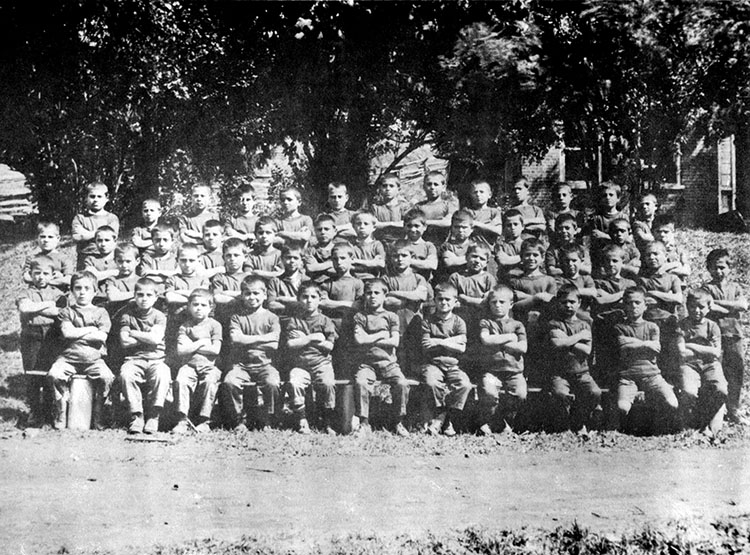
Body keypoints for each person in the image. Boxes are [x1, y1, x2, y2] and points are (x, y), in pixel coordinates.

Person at [47, 271, 114, 430]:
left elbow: (101, 337)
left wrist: (78, 334)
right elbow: (67, 333)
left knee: (107, 377)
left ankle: (99, 414)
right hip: (68, 359)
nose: (82, 292)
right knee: (54, 374)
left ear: (95, 292)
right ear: (71, 291)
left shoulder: (101, 312)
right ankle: (61, 410)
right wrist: (90, 329)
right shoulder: (66, 312)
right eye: (78, 288)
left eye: (87, 288)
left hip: (93, 360)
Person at [613, 287, 679, 432]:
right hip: (628, 377)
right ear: (624, 305)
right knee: (622, 407)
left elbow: (656, 348)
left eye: (637, 303)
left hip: (652, 374)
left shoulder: (652, 327)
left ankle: (658, 425)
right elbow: (623, 346)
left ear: (645, 305)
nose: (633, 307)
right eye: (629, 303)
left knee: (672, 403)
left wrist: (634, 343)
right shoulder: (619, 327)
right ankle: (630, 427)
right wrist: (645, 344)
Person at [352, 278, 410, 436]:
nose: (372, 296)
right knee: (361, 381)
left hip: (388, 363)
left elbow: (395, 341)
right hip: (367, 364)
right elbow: (360, 340)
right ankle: (364, 422)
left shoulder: (392, 317)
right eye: (369, 293)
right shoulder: (360, 317)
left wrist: (370, 337)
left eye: (376, 293)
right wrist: (381, 335)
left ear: (385, 296)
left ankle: (398, 421)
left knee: (402, 383)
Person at [223, 276, 281, 431]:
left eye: (256, 293)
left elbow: (275, 343)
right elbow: (236, 339)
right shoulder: (237, 317)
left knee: (272, 383)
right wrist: (264, 339)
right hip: (242, 365)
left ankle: (267, 418)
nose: (252, 297)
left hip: (265, 364)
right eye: (247, 293)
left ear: (264, 295)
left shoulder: (272, 317)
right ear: (242, 295)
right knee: (230, 381)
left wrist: (246, 339)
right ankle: (240, 419)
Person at [118, 278, 171, 434]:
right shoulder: (127, 315)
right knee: (126, 374)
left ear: (156, 297)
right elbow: (124, 342)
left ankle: (154, 416)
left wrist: (133, 332)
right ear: (134, 296)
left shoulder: (159, 316)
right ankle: (137, 416)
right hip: (134, 359)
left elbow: (155, 338)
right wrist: (147, 337)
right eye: (140, 295)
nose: (144, 299)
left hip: (156, 359)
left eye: (149, 295)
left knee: (162, 374)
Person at [284, 282, 338, 434]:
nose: (309, 300)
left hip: (322, 363)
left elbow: (329, 346)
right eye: (305, 297)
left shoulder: (325, 320)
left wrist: (304, 339)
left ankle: (327, 421)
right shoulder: (294, 320)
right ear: (298, 299)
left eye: (313, 297)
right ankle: (302, 419)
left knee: (328, 383)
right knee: (295, 382)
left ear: (319, 299)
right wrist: (313, 337)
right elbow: (291, 344)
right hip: (300, 365)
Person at [16, 256, 65, 426]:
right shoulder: (25, 293)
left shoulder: (58, 294)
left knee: (50, 374)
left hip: (52, 335)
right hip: (31, 334)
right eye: (37, 273)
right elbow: (25, 307)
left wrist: (38, 308)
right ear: (30, 274)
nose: (41, 277)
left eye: (45, 273)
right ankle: (35, 412)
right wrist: (47, 305)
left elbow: (58, 313)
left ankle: (51, 411)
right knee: (32, 374)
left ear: (52, 275)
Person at [547, 284, 601, 431]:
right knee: (560, 393)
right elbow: (557, 344)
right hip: (560, 373)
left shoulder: (585, 325)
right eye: (564, 302)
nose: (568, 305)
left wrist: (567, 341)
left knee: (594, 393)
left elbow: (586, 350)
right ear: (558, 304)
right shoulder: (554, 323)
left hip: (582, 372)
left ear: (579, 303)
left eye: (572, 302)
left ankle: (580, 419)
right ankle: (564, 422)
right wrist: (579, 337)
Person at [702, 248, 748, 423]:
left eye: (722, 267)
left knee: (736, 371)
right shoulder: (707, 288)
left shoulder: (735, 287)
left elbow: (743, 305)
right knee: (716, 372)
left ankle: (733, 409)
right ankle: (715, 411)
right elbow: (709, 306)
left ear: (729, 268)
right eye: (714, 268)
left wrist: (720, 304)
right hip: (715, 337)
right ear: (708, 268)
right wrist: (731, 307)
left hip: (734, 335)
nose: (719, 271)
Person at [418, 282, 470, 437]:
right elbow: (426, 345)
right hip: (433, 364)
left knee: (464, 384)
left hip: (454, 365)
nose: (444, 303)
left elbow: (462, 348)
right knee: (432, 382)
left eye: (448, 299)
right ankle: (441, 415)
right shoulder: (428, 321)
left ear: (455, 302)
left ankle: (446, 418)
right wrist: (452, 341)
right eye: (440, 299)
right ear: (434, 300)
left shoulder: (459, 322)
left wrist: (439, 341)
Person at [674, 288, 727, 436]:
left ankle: (708, 421)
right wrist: (705, 349)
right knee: (689, 392)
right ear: (687, 306)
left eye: (701, 307)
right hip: (690, 365)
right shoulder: (682, 325)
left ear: (709, 308)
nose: (696, 310)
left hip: (711, 364)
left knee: (721, 390)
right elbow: (682, 352)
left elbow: (716, 352)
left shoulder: (712, 326)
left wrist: (691, 345)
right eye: (692, 306)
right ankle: (693, 423)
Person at [477, 285, 527, 435]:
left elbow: (523, 348)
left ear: (511, 304)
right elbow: (485, 339)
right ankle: (491, 420)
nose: (497, 305)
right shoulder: (486, 322)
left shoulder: (517, 325)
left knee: (520, 394)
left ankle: (503, 420)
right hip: (492, 371)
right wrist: (510, 338)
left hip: (514, 371)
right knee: (489, 392)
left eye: (502, 302)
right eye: (494, 302)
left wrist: (498, 341)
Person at [173, 288, 223, 434]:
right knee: (181, 380)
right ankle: (182, 420)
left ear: (210, 307)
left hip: (210, 365)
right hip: (189, 365)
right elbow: (181, 350)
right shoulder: (185, 326)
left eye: (203, 305)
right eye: (195, 305)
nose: (199, 308)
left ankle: (204, 420)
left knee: (209, 381)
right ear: (189, 307)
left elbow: (215, 350)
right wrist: (202, 342)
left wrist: (191, 345)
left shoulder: (215, 325)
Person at [71, 181, 120, 270]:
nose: (96, 200)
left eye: (99, 196)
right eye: (92, 196)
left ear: (106, 198)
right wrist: (100, 232)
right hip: (84, 256)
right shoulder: (80, 218)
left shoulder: (112, 218)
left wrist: (87, 234)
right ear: (86, 198)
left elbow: (111, 237)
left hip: (105, 258)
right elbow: (77, 237)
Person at [22, 222, 73, 288]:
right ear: (37, 238)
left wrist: (42, 280)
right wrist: (50, 279)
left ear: (58, 238)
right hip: (36, 293)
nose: (46, 240)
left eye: (50, 237)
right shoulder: (32, 257)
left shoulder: (64, 258)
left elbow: (68, 280)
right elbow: (26, 277)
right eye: (42, 237)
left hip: (57, 294)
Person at [414, 170, 458, 245]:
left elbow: (448, 222)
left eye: (436, 184)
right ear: (424, 187)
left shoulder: (448, 205)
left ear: (443, 187)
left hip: (442, 244)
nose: (432, 187)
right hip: (422, 244)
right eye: (429, 184)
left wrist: (425, 222)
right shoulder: (419, 206)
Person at [554, 245, 597, 321]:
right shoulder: (559, 279)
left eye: (574, 260)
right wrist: (583, 292)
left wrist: (574, 291)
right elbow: (560, 293)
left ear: (581, 261)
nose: (570, 264)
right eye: (567, 261)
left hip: (584, 315)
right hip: (565, 315)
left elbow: (593, 292)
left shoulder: (586, 278)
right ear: (561, 262)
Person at [267, 243, 307, 321]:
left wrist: (283, 299)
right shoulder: (275, 281)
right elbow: (271, 305)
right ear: (282, 259)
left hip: (301, 319)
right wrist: (296, 303)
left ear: (301, 260)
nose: (292, 261)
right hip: (281, 319)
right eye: (288, 258)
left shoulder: (306, 280)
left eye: (295, 258)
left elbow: (307, 304)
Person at [545, 213, 591, 278]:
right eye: (560, 228)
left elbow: (588, 269)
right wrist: (573, 268)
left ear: (575, 230)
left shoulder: (581, 248)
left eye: (567, 228)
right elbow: (551, 270)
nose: (564, 231)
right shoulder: (553, 250)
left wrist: (564, 268)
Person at [137, 223, 179, 292]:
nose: (161, 244)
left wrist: (153, 272)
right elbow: (147, 278)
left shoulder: (176, 259)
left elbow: (178, 277)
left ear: (172, 241)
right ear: (152, 241)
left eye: (165, 240)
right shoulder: (147, 258)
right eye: (157, 240)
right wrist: (169, 275)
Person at [103, 243, 141, 316]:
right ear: (115, 261)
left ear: (137, 261)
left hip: (136, 317)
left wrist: (121, 295)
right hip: (117, 316)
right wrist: (138, 293)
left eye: (128, 261)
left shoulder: (142, 281)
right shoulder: (113, 280)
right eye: (120, 261)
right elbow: (113, 297)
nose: (124, 265)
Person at [371, 172, 409, 246]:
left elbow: (407, 224)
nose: (388, 189)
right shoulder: (376, 207)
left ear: (398, 189)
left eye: (391, 186)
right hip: (380, 244)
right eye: (384, 186)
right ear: (380, 188)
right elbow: (374, 225)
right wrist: (395, 224)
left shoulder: (404, 207)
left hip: (400, 243)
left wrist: (384, 224)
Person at [437, 209, 475, 282]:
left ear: (471, 229)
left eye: (464, 227)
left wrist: (459, 259)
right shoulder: (446, 246)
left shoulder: (476, 246)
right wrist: (471, 258)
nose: (460, 230)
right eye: (457, 227)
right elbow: (449, 262)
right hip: (451, 282)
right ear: (451, 228)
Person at [402, 209, 438, 282]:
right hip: (403, 282)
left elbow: (432, 264)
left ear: (424, 227)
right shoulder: (399, 244)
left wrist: (408, 261)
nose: (413, 229)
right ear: (404, 226)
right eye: (409, 226)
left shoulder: (428, 246)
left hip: (422, 282)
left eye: (416, 226)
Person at [465, 179, 503, 248]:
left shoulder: (494, 212)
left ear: (489, 195)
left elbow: (498, 230)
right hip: (471, 249)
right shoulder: (467, 212)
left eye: (481, 192)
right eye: (475, 192)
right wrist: (488, 226)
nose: (478, 195)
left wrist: (476, 223)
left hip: (488, 249)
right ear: (471, 195)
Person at [652, 214, 690, 279]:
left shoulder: (678, 250)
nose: (662, 234)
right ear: (653, 232)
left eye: (666, 232)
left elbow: (687, 271)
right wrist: (677, 265)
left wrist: (666, 269)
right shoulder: (650, 249)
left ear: (673, 232)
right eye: (658, 231)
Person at [350, 211, 386, 280]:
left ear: (374, 227)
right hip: (354, 279)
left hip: (372, 280)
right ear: (353, 226)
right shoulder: (350, 245)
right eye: (358, 223)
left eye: (366, 224)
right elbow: (347, 264)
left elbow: (381, 264)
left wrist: (356, 261)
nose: (362, 227)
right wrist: (371, 264)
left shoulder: (377, 245)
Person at [304, 214, 338, 284]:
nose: (323, 232)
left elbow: (342, 270)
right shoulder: (310, 250)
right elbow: (310, 268)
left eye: (326, 229)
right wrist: (332, 264)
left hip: (337, 283)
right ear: (315, 232)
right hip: (316, 285)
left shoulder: (340, 249)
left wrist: (317, 266)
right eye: (319, 229)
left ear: (335, 231)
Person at [494, 209, 525, 283]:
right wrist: (523, 257)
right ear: (504, 227)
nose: (513, 228)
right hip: (507, 280)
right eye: (509, 225)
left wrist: (511, 259)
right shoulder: (500, 245)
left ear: (523, 226)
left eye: (516, 224)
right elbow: (503, 261)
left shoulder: (528, 244)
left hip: (524, 280)